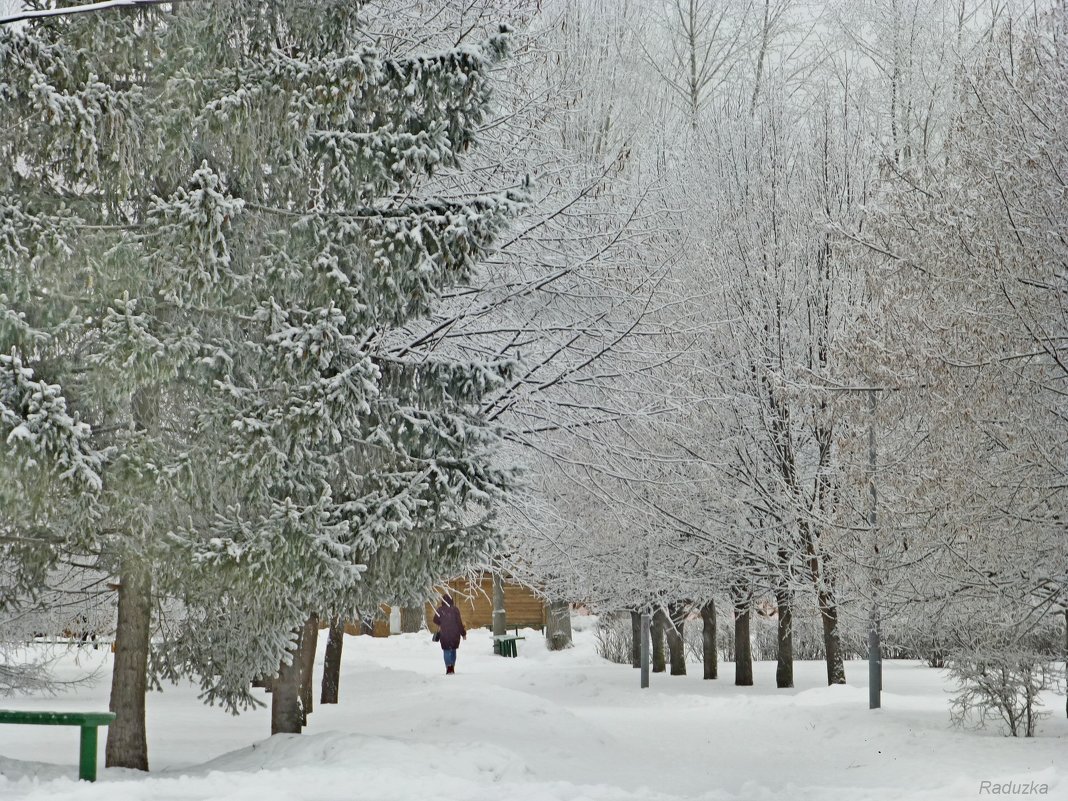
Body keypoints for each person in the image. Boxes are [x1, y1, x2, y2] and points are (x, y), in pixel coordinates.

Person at [432, 593, 467, 675]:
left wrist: (442, 622)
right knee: (453, 650)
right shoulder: (455, 610)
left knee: (446, 650)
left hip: (444, 634)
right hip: (455, 634)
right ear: (452, 600)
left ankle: (448, 667)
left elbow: (435, 620)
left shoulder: (440, 610)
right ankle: (452, 667)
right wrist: (463, 634)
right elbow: (459, 623)